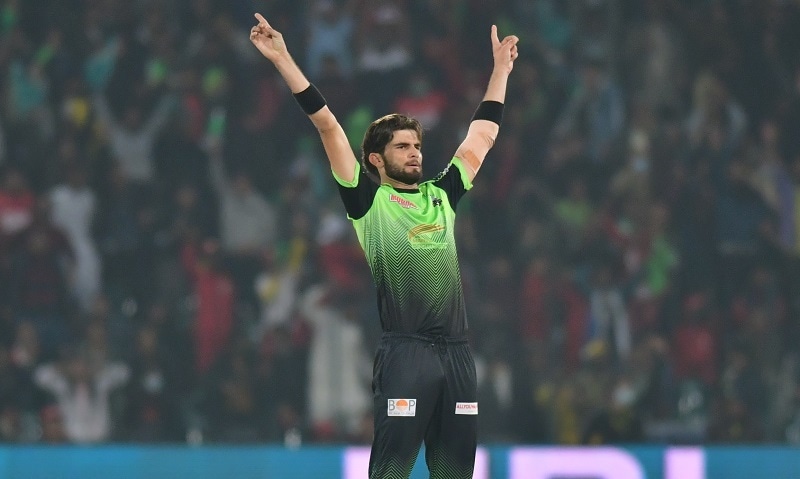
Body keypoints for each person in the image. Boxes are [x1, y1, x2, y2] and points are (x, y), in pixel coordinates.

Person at [249, 12, 518, 479]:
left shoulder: (443, 195)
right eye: (401, 147)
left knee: (455, 474)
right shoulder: (368, 201)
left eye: (416, 144)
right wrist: (284, 59)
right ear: (377, 159)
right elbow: (329, 127)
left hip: (457, 353)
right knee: (390, 473)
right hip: (406, 355)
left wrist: (500, 71)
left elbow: (484, 134)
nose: (414, 151)